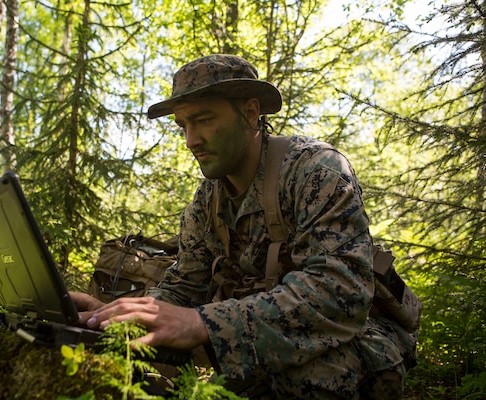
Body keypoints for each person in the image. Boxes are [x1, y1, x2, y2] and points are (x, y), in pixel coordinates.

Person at [70, 54, 416, 399]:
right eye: (184, 126)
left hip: (357, 338)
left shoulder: (315, 171)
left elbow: (339, 293)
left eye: (204, 120)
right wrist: (110, 319)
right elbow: (182, 288)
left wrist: (202, 323)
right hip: (270, 343)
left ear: (251, 113)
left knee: (315, 374)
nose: (191, 140)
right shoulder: (207, 203)